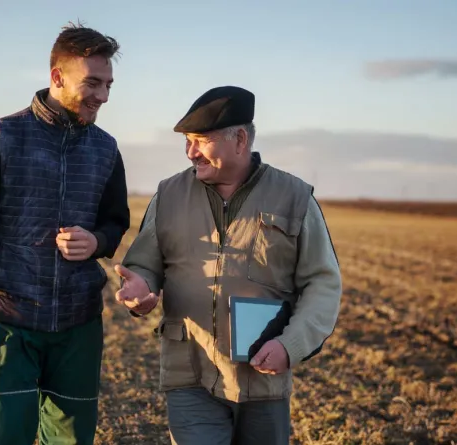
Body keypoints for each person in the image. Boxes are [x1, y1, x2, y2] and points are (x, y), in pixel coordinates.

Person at [114, 86, 342, 445]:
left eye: (200, 141)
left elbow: (323, 283)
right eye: (187, 142)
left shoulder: (294, 197)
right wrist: (140, 289)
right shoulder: (169, 194)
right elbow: (144, 264)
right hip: (189, 371)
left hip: (262, 376)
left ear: (239, 139)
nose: (191, 153)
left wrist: (290, 345)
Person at [0, 23, 130, 445]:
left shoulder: (106, 148)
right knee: (0, 437)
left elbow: (115, 222)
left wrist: (96, 242)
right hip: (10, 322)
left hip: (79, 327)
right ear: (57, 76)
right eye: (93, 83)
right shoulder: (1, 136)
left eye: (108, 85)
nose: (103, 96)